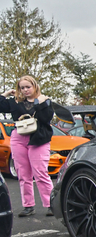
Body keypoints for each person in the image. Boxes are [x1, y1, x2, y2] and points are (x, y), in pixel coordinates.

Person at [0, 75, 54, 217]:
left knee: (40, 173)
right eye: (22, 87)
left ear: (34, 86)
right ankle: (28, 206)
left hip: (39, 138)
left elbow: (46, 118)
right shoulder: (15, 102)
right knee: (23, 174)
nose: (25, 90)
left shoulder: (44, 100)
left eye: (27, 87)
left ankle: (51, 205)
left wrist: (41, 103)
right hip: (19, 138)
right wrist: (5, 94)